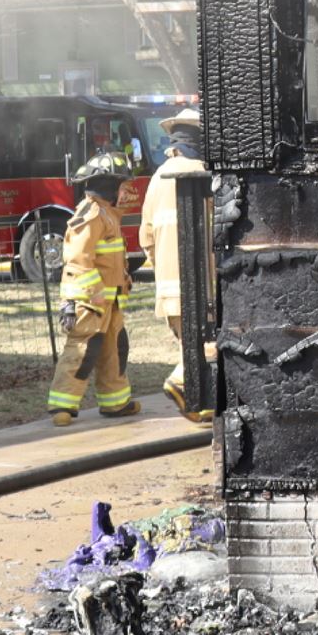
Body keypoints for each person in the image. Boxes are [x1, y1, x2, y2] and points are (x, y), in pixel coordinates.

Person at [46, 151, 140, 426]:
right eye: (122, 185)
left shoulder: (109, 213)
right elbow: (78, 259)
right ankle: (62, 406)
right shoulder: (91, 214)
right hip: (90, 301)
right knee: (83, 350)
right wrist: (95, 291)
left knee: (115, 350)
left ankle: (115, 403)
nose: (126, 192)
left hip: (110, 301)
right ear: (108, 186)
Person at [138, 107, 212, 421]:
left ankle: (200, 408)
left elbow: (145, 237)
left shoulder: (158, 177)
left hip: (169, 288)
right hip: (203, 285)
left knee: (189, 345)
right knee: (207, 345)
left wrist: (163, 271)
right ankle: (180, 381)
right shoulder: (203, 173)